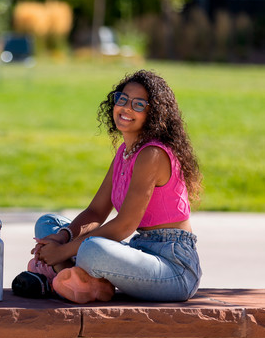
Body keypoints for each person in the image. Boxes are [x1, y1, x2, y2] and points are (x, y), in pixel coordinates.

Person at [28, 69, 203, 303]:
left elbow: (124, 225)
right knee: (48, 224)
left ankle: (67, 272)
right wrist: (61, 238)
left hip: (173, 269)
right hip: (137, 252)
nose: (127, 108)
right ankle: (84, 280)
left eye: (139, 104)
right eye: (122, 99)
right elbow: (95, 212)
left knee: (92, 250)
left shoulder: (152, 154)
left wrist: (63, 251)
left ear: (154, 113)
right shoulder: (125, 152)